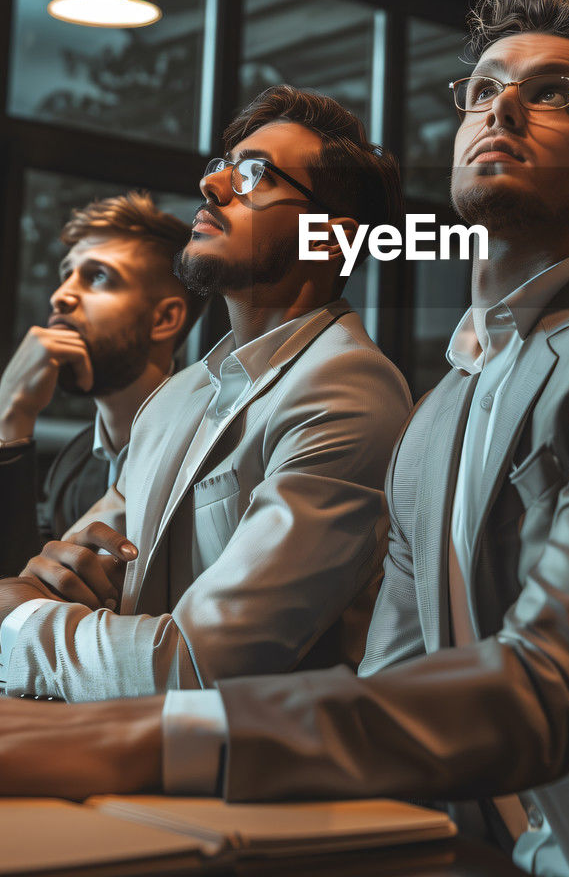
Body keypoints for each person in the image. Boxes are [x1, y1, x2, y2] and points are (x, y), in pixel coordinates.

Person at [3, 0, 569, 877]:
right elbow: (387, 699)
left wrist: (132, 739)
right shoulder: (439, 412)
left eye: (552, 94)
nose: (504, 109)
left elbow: (547, 689)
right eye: (486, 89)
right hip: (457, 846)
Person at [0, 86, 412, 703]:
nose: (215, 187)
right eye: (221, 168)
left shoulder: (350, 387)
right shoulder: (177, 396)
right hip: (110, 745)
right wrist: (34, 601)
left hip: (247, 780)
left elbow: (199, 666)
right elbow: (51, 578)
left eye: (255, 176)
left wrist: (15, 621)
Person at [0, 193, 204, 577]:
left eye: (97, 276)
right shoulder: (75, 462)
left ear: (164, 318)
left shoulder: (203, 452)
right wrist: (11, 416)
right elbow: (20, 591)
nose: (60, 296)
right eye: (66, 275)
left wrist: (12, 411)